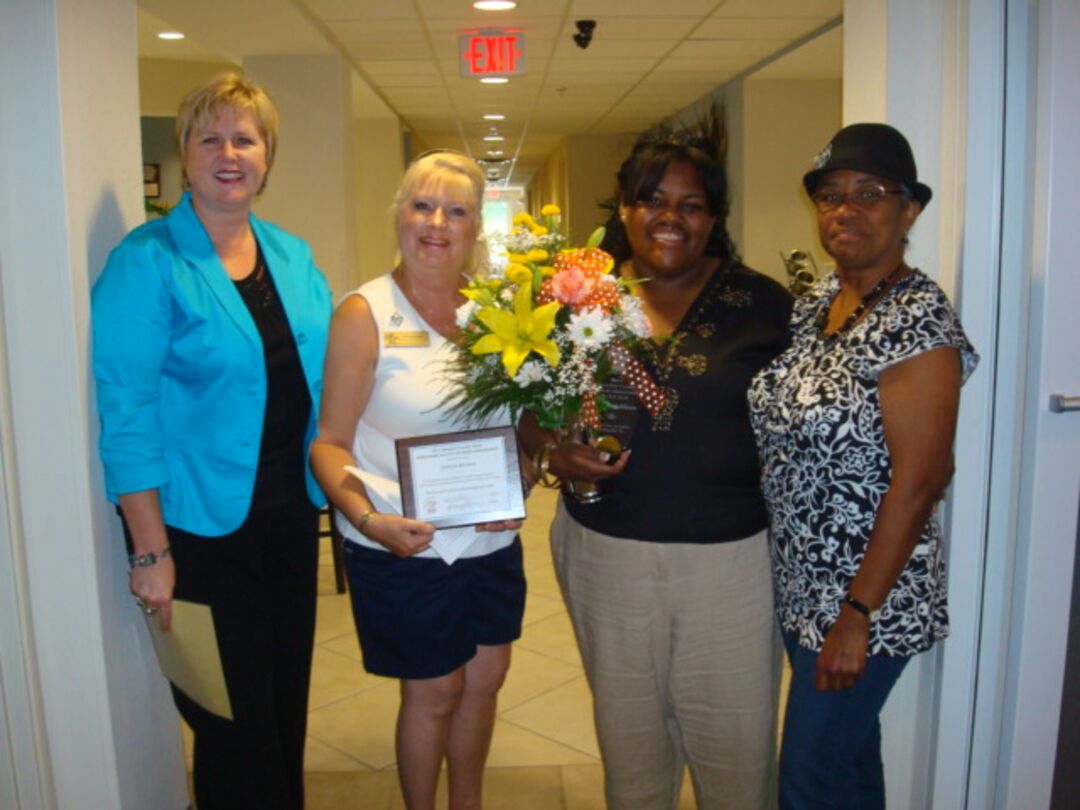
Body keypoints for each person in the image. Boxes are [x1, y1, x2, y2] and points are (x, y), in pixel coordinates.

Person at [520, 125, 793, 809]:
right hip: (604, 553)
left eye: (692, 204)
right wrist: (554, 449)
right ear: (624, 206)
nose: (670, 218)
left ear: (715, 216)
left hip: (729, 563)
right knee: (631, 747)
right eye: (652, 199)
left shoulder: (765, 306)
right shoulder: (573, 295)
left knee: (736, 749)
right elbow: (523, 405)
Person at [92, 73, 332, 810]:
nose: (229, 152)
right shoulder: (149, 259)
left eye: (246, 138)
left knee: (284, 703)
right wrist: (150, 549)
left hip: (291, 519)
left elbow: (326, 380)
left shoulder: (290, 254)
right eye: (210, 137)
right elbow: (125, 411)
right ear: (186, 154)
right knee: (230, 721)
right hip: (199, 531)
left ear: (268, 155)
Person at [748, 123, 979, 809]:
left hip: (868, 602)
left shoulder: (918, 321)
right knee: (847, 768)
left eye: (870, 194)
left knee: (807, 780)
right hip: (803, 587)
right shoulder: (820, 301)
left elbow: (923, 480)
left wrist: (857, 613)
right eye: (831, 195)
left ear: (909, 212)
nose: (845, 209)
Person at [309, 150, 525, 810]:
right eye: (422, 205)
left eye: (457, 211)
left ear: (475, 229)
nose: (437, 223)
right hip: (403, 542)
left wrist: (522, 482)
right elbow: (328, 445)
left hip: (488, 543)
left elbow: (521, 424)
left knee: (484, 681)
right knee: (434, 694)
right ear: (399, 215)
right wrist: (370, 521)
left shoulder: (497, 312)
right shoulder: (363, 313)